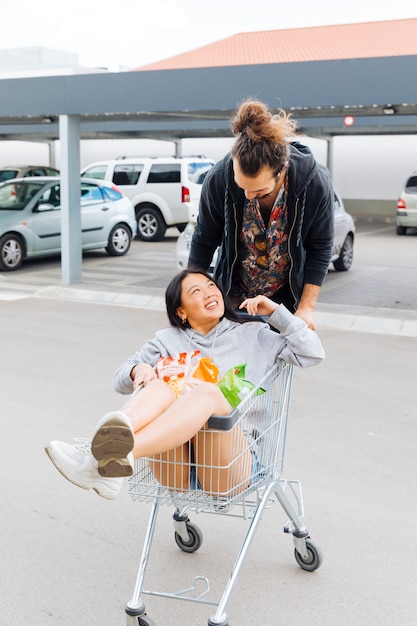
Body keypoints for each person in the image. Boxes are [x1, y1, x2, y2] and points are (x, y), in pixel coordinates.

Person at [45, 270, 324, 500]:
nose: (209, 293)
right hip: (176, 466)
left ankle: (110, 458)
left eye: (211, 286)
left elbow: (312, 353)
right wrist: (138, 369)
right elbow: (120, 378)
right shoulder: (168, 340)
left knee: (207, 392)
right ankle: (111, 455)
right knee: (161, 385)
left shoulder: (254, 335)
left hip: (230, 465)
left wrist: (276, 312)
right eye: (196, 292)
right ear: (181, 311)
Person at [188, 98, 335, 331]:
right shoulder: (218, 179)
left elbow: (320, 247)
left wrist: (306, 308)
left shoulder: (315, 183)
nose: (247, 196)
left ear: (282, 169)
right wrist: (188, 296)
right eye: (241, 186)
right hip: (233, 296)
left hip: (283, 301)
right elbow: (204, 239)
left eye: (258, 190)